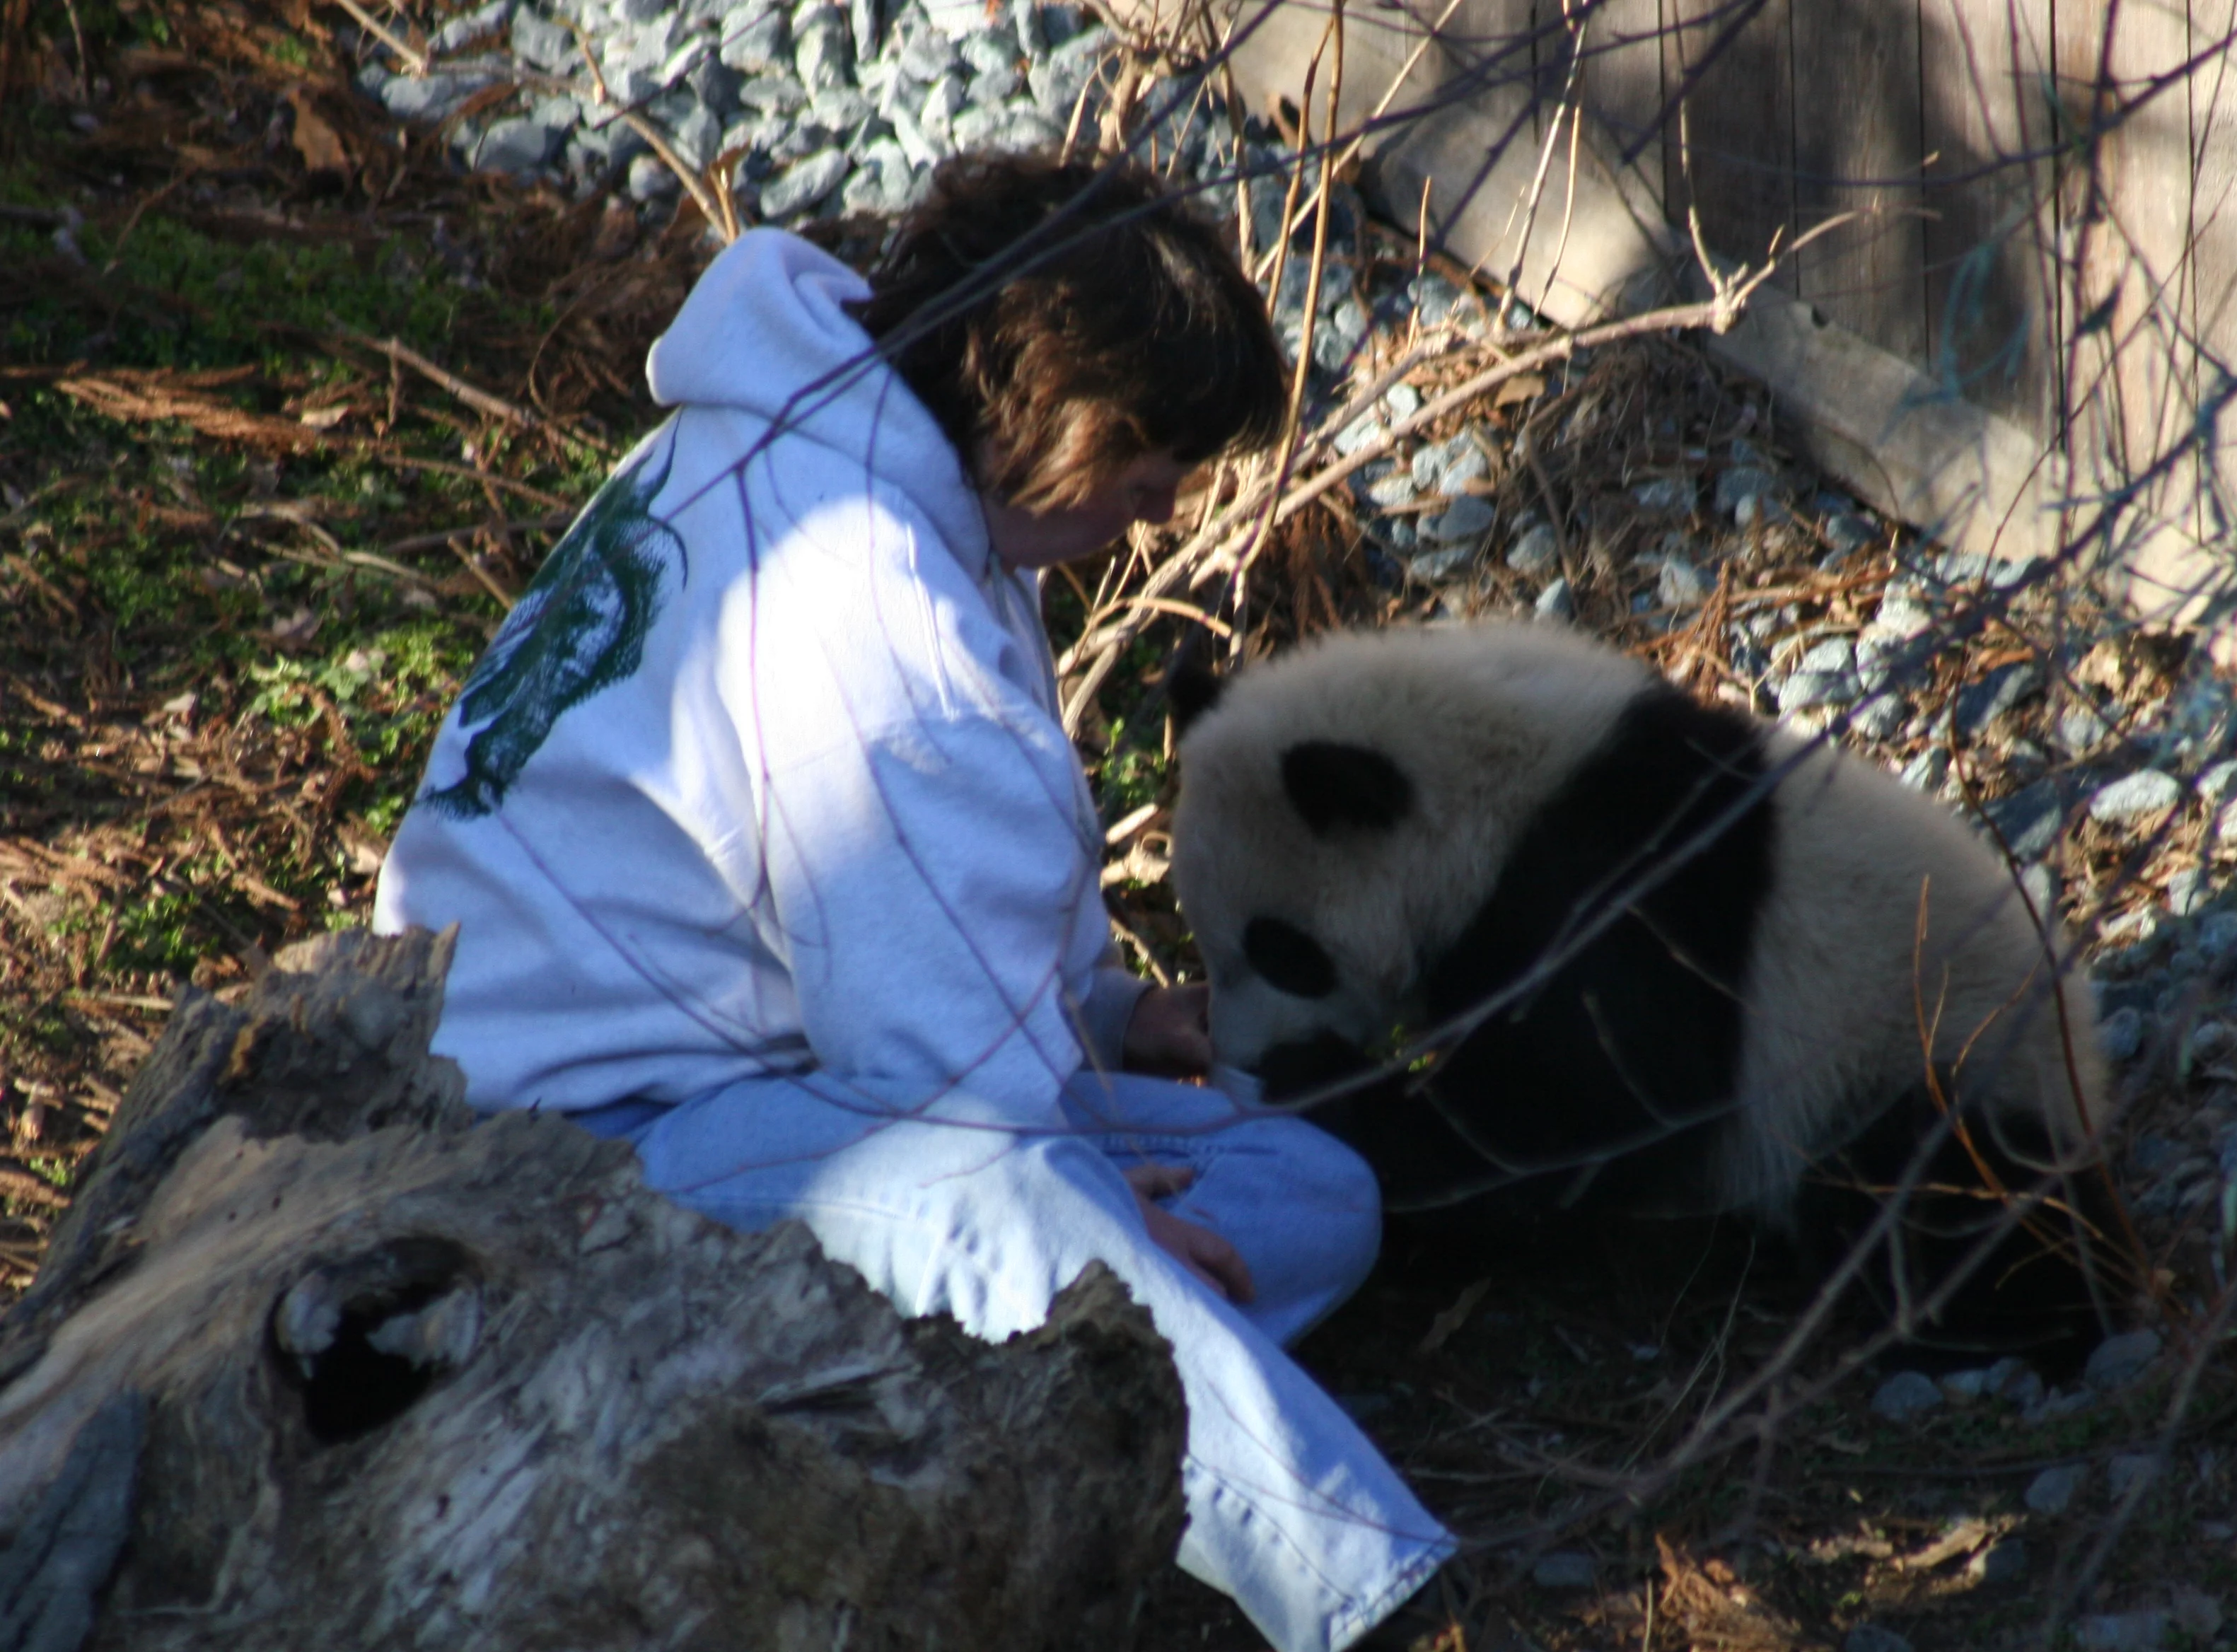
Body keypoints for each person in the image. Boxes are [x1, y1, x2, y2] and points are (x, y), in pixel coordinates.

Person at [373, 152, 1453, 1652]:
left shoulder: (832, 438)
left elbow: (887, 929)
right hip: (555, 1164)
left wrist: (1114, 1015)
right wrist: (1091, 1223)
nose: (1143, 531)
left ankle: (911, 1437)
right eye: (1142, 489)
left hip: (747, 1081)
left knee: (1310, 1194)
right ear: (1070, 429)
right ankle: (1371, 1591)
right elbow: (943, 1090)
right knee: (1023, 1226)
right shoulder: (867, 607)